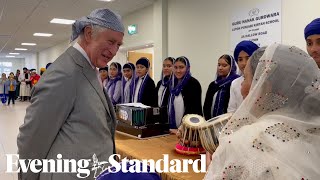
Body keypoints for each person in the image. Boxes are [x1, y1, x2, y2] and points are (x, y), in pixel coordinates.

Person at [17, 8, 124, 180]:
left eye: (118, 45)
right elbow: (32, 140)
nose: (114, 51)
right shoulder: (65, 73)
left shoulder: (89, 69)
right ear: (89, 33)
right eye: (111, 41)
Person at [205, 44, 320, 179]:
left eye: (246, 78)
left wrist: (213, 167)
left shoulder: (242, 142)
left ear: (264, 86)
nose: (242, 85)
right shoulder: (313, 131)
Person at [168, 56, 203, 132]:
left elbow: (193, 109)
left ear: (188, 68)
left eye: (181, 67)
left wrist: (182, 128)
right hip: (173, 129)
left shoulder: (193, 84)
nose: (178, 70)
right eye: (176, 67)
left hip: (189, 128)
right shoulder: (172, 84)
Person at [203, 54, 239, 120]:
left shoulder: (235, 83)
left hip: (229, 122)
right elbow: (206, 106)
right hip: (211, 123)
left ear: (231, 67)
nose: (220, 68)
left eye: (224, 65)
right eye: (219, 65)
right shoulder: (213, 84)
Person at [227, 40, 259, 112]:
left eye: (248, 58)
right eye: (240, 59)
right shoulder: (235, 83)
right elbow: (231, 110)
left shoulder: (263, 81)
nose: (244, 63)